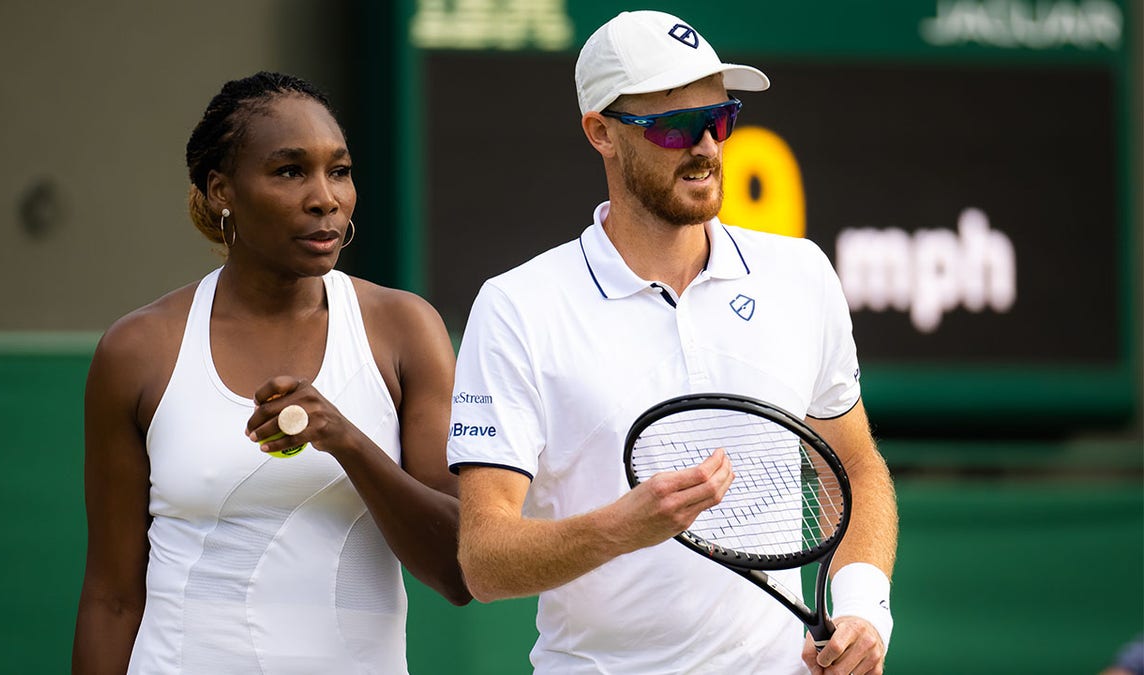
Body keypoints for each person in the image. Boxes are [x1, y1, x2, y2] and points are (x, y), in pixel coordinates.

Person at [448, 10, 897, 675]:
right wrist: (622, 526)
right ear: (599, 132)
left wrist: (863, 608)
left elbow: (854, 466)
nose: (707, 147)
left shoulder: (801, 275)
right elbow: (483, 560)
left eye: (719, 119)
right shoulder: (518, 306)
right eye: (673, 127)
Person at [72, 71, 470, 674]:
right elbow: (112, 598)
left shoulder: (405, 329)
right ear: (221, 191)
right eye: (290, 171)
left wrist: (346, 441)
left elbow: (460, 567)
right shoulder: (137, 350)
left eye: (338, 170)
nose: (325, 197)